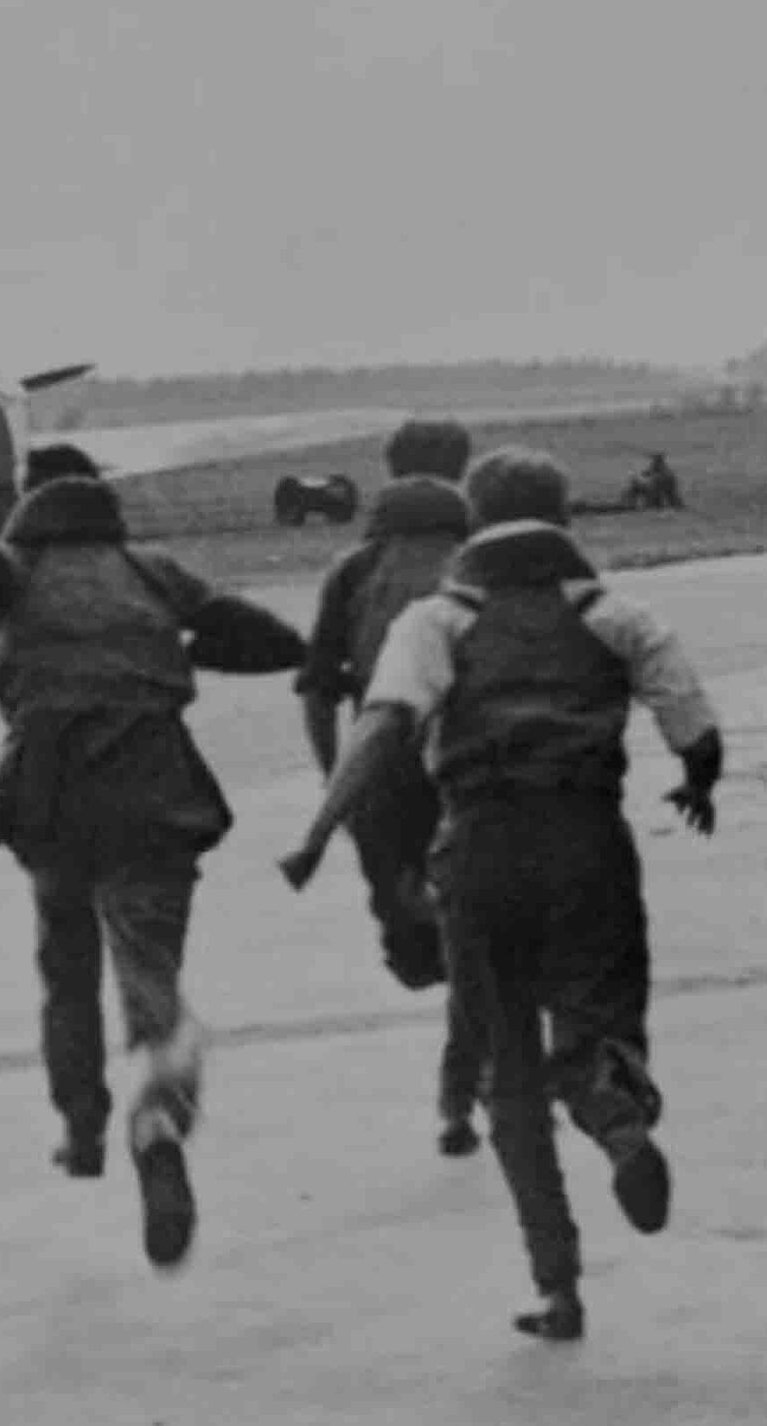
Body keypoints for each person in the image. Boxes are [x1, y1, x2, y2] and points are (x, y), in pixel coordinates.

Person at [280, 445, 722, 1341]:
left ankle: (557, 1285)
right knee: (598, 1020)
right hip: (589, 841)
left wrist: (320, 832)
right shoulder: (615, 613)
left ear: (475, 522)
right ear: (564, 518)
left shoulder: (434, 620)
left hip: (481, 849)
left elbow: (383, 726)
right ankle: (612, 1109)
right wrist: (700, 781)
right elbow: (692, 720)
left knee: (505, 1065)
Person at [0, 442, 305, 1271]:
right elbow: (266, 638)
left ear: (26, 506)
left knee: (65, 960)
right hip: (154, 786)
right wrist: (183, 656)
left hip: (51, 793)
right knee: (150, 977)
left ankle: (80, 1126)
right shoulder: (151, 571)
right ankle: (156, 1118)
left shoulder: (8, 565)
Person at [290, 417, 487, 1157]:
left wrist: (335, 787)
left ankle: (467, 1090)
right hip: (475, 767)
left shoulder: (355, 569)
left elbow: (315, 691)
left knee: (423, 950)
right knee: (477, 935)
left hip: (386, 778)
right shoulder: (489, 558)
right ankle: (475, 1079)